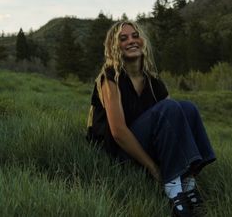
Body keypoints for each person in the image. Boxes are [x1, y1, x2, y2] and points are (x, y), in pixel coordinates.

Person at [87, 20, 216, 217]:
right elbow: (118, 132)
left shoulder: (153, 81)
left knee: (187, 108)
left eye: (135, 36)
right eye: (123, 38)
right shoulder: (110, 76)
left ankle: (188, 181)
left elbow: (177, 123)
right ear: (115, 46)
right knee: (170, 108)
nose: (131, 41)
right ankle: (173, 189)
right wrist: (155, 170)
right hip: (115, 151)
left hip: (141, 142)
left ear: (143, 41)